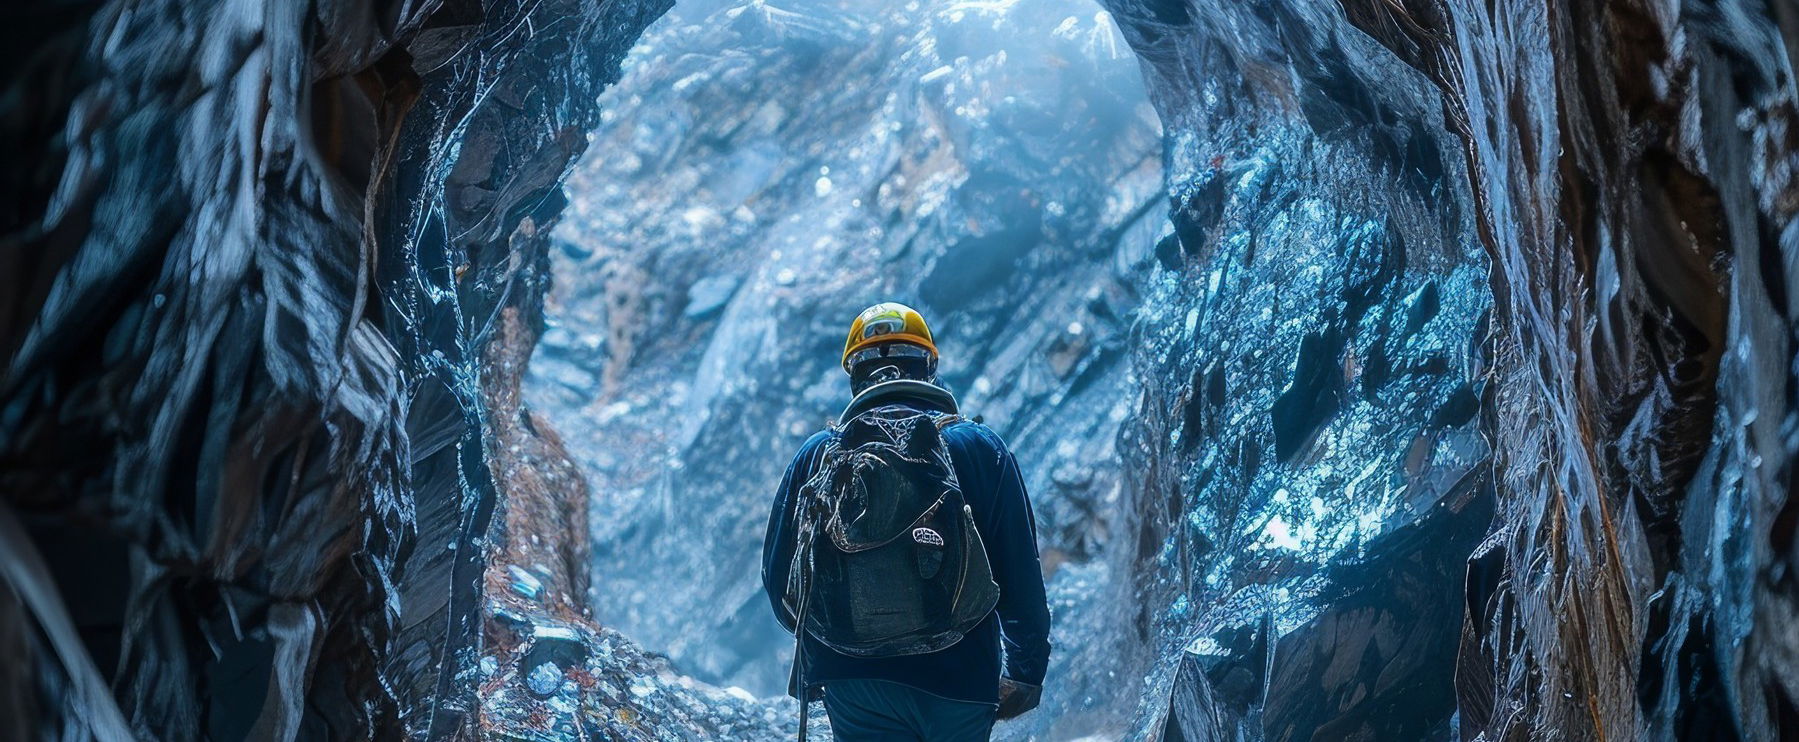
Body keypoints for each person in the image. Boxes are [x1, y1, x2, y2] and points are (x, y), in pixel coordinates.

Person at [762, 302, 1052, 741]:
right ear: (928, 367)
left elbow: (777, 576)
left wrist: (833, 637)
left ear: (854, 376)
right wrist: (1026, 674)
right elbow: (1020, 570)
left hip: (852, 679)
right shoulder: (977, 446)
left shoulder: (818, 455)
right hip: (962, 677)